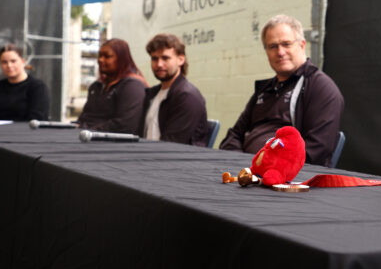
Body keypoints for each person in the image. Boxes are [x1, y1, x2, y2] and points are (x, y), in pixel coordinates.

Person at [220, 15, 344, 166]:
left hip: (283, 180)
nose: (280, 52)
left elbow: (315, 151)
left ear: (302, 45)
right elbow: (234, 135)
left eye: (286, 44)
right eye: (273, 46)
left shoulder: (321, 88)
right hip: (247, 171)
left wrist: (264, 167)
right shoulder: (265, 89)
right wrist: (239, 164)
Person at [140, 33, 208, 146]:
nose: (159, 64)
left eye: (165, 58)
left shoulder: (188, 96)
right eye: (154, 59)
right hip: (150, 157)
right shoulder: (152, 94)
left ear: (181, 59)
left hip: (175, 161)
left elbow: (171, 145)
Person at [77, 38, 148, 134]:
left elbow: (125, 125)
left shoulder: (133, 86)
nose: (100, 60)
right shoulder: (96, 86)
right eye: (100, 55)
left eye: (107, 56)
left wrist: (90, 131)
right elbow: (84, 117)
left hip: (114, 144)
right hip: (86, 136)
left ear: (121, 59)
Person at [0, 43, 49, 121]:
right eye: (4, 62)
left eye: (13, 61)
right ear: (0, 64)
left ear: (23, 62)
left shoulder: (37, 87)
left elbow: (37, 119)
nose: (9, 65)